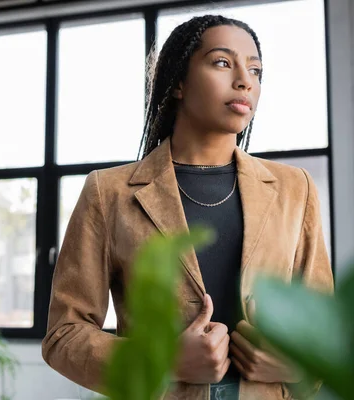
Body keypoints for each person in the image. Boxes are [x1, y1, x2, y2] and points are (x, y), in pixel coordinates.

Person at [41, 14, 334, 400]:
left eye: (256, 69)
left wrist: (294, 362)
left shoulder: (295, 189)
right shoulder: (108, 192)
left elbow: (326, 331)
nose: (245, 80)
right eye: (222, 62)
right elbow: (64, 335)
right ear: (178, 81)